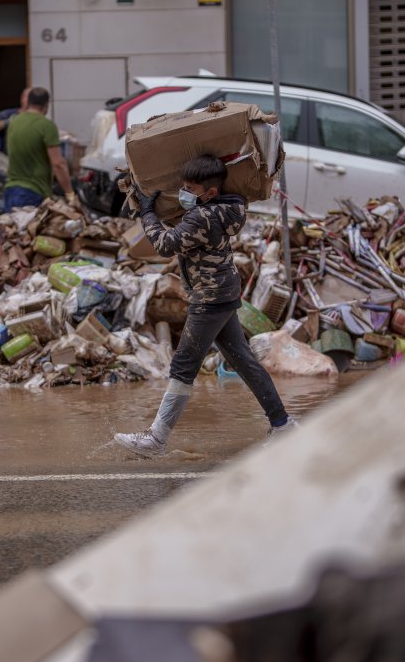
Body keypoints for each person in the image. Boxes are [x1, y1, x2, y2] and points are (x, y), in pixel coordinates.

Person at [116, 155, 297, 458]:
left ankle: (156, 439)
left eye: (190, 188)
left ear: (210, 192)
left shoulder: (200, 218)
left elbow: (164, 244)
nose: (184, 192)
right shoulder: (232, 207)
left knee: (184, 364)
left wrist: (148, 213)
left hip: (210, 297)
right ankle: (282, 423)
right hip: (223, 291)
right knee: (242, 360)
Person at [2, 87, 75, 211]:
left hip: (11, 190)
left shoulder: (14, 122)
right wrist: (70, 194)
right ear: (46, 105)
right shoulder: (46, 126)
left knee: (14, 229)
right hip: (32, 192)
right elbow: (58, 164)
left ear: (28, 102)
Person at [0, 86, 31, 153]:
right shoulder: (8, 114)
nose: (32, 101)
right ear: (22, 98)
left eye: (35, 99)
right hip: (6, 159)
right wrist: (7, 122)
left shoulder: (40, 118)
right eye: (29, 97)